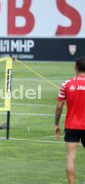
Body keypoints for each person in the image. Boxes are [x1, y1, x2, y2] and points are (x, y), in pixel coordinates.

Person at [54, 56, 85, 184]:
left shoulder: (66, 84)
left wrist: (56, 124)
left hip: (72, 126)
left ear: (75, 68)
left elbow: (59, 107)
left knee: (70, 158)